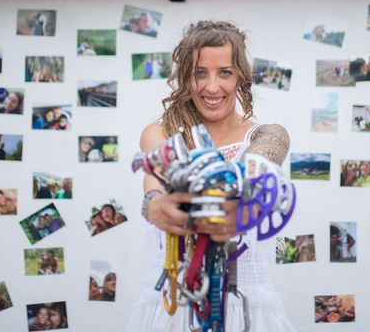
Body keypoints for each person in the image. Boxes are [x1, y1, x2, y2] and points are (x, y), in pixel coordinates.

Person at [125, 20, 295, 331]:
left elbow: (256, 173)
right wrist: (156, 205)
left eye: (225, 73)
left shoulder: (269, 135)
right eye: (200, 73)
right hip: (172, 308)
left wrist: (240, 204)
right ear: (185, 78)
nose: (212, 87)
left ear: (241, 77)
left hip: (248, 310)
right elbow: (156, 180)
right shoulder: (160, 133)